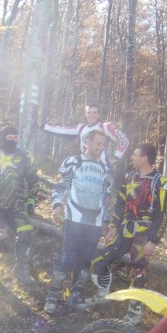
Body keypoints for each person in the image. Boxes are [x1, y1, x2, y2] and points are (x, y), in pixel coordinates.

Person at [89, 142, 167, 323]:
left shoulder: (162, 183)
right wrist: (114, 226)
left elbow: (163, 214)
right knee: (100, 258)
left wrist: (153, 240)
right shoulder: (129, 177)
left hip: (144, 234)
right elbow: (119, 204)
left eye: (135, 154)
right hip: (125, 230)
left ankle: (134, 312)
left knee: (139, 270)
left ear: (144, 158)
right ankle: (103, 294)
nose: (131, 157)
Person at [43, 129, 113, 314]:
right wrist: (57, 204)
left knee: (86, 260)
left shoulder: (106, 169)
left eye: (103, 145)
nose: (100, 148)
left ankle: (76, 295)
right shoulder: (73, 162)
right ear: (87, 142)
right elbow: (60, 186)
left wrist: (106, 220)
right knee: (68, 257)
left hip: (95, 222)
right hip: (74, 217)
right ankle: (52, 295)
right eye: (97, 143)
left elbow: (107, 197)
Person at [0, 125, 39, 285]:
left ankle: (20, 269)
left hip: (17, 205)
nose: (12, 140)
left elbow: (33, 179)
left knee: (26, 233)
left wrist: (31, 200)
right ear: (2, 137)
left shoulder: (25, 156)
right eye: (9, 137)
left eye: (15, 138)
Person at [43, 103, 129, 163]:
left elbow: (124, 141)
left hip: (100, 166)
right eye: (89, 112)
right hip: (84, 165)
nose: (92, 115)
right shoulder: (80, 127)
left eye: (94, 112)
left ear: (98, 115)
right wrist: (44, 126)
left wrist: (116, 157)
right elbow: (62, 130)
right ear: (85, 114)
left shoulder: (106, 127)